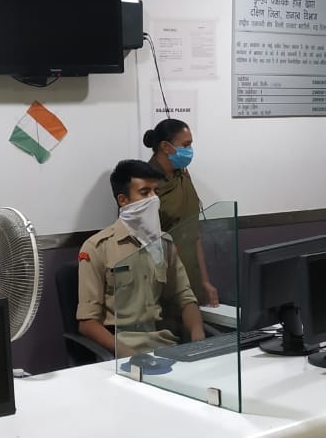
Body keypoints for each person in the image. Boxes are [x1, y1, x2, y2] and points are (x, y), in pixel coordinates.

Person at [77, 159, 205, 357]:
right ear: (123, 200)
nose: (154, 199)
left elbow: (185, 297)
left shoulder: (164, 243)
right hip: (120, 353)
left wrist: (198, 338)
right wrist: (130, 355)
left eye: (155, 191)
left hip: (164, 346)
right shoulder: (97, 247)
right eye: (145, 193)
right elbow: (87, 323)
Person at [143, 118, 219, 308]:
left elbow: (193, 233)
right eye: (186, 145)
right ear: (166, 147)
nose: (190, 150)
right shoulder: (145, 185)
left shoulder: (183, 176)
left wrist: (204, 281)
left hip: (190, 276)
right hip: (161, 283)